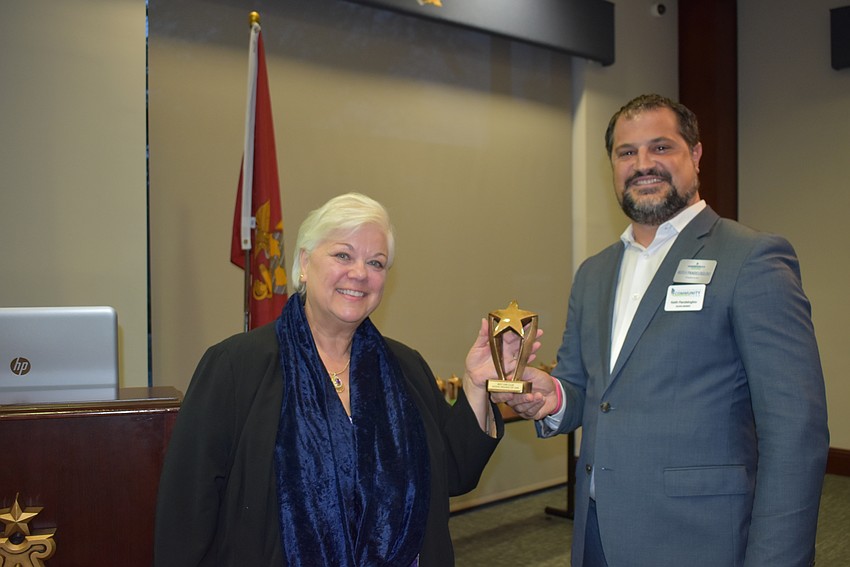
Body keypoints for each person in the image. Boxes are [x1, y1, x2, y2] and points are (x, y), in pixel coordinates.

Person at [496, 94, 829, 566]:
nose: (642, 164)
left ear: (694, 155)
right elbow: (584, 387)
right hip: (597, 535)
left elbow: (796, 432)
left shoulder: (751, 259)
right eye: (626, 152)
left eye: (661, 147)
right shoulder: (593, 273)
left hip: (698, 540)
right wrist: (548, 396)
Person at [154, 192, 529, 566]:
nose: (360, 273)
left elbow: (452, 475)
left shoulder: (405, 367)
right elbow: (187, 512)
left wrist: (477, 386)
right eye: (343, 255)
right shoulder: (235, 367)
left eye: (376, 263)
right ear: (304, 262)